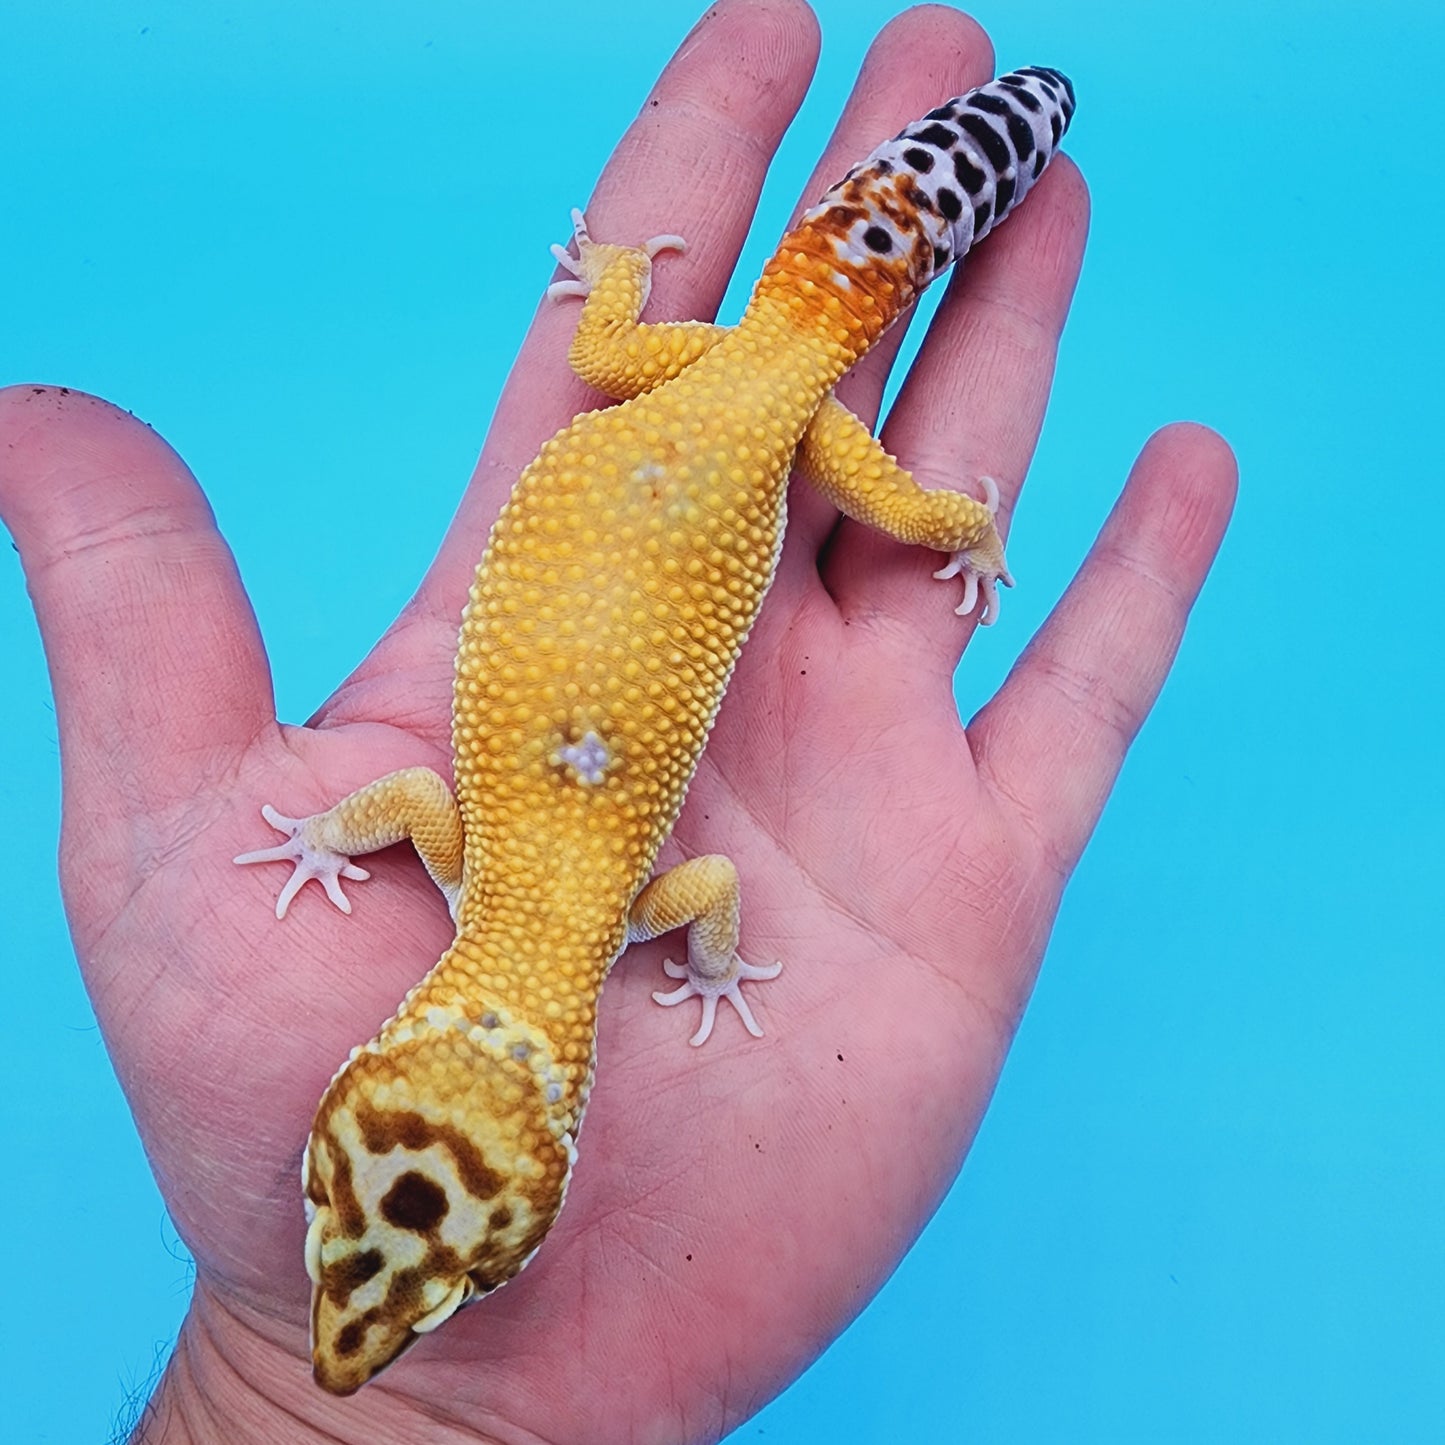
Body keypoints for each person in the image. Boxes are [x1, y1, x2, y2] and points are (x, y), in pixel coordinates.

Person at [0, 2, 1235, 1440]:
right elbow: (405, 812)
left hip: (746, 405)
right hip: (704, 390)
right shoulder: (461, 858)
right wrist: (332, 844)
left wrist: (699, 960)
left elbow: (703, 895)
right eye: (443, 1275)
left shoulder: (632, 906)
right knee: (679, 386)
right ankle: (919, 357)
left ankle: (954, 390)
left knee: (894, 488)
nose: (363, 1336)